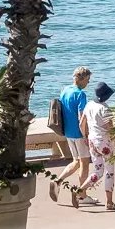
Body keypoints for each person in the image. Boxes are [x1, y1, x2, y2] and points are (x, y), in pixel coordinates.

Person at [47, 66, 92, 203]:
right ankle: (82, 195)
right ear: (82, 79)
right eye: (88, 80)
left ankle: (58, 181)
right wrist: (86, 135)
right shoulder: (80, 94)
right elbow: (81, 117)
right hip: (79, 133)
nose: (88, 83)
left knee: (76, 161)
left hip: (68, 132)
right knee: (84, 163)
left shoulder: (65, 90)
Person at [80, 82, 115, 211]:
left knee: (98, 171)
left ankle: (80, 190)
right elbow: (111, 129)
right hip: (106, 143)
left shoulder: (89, 105)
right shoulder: (105, 109)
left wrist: (85, 137)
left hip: (92, 141)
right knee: (109, 172)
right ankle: (109, 202)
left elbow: (82, 123)